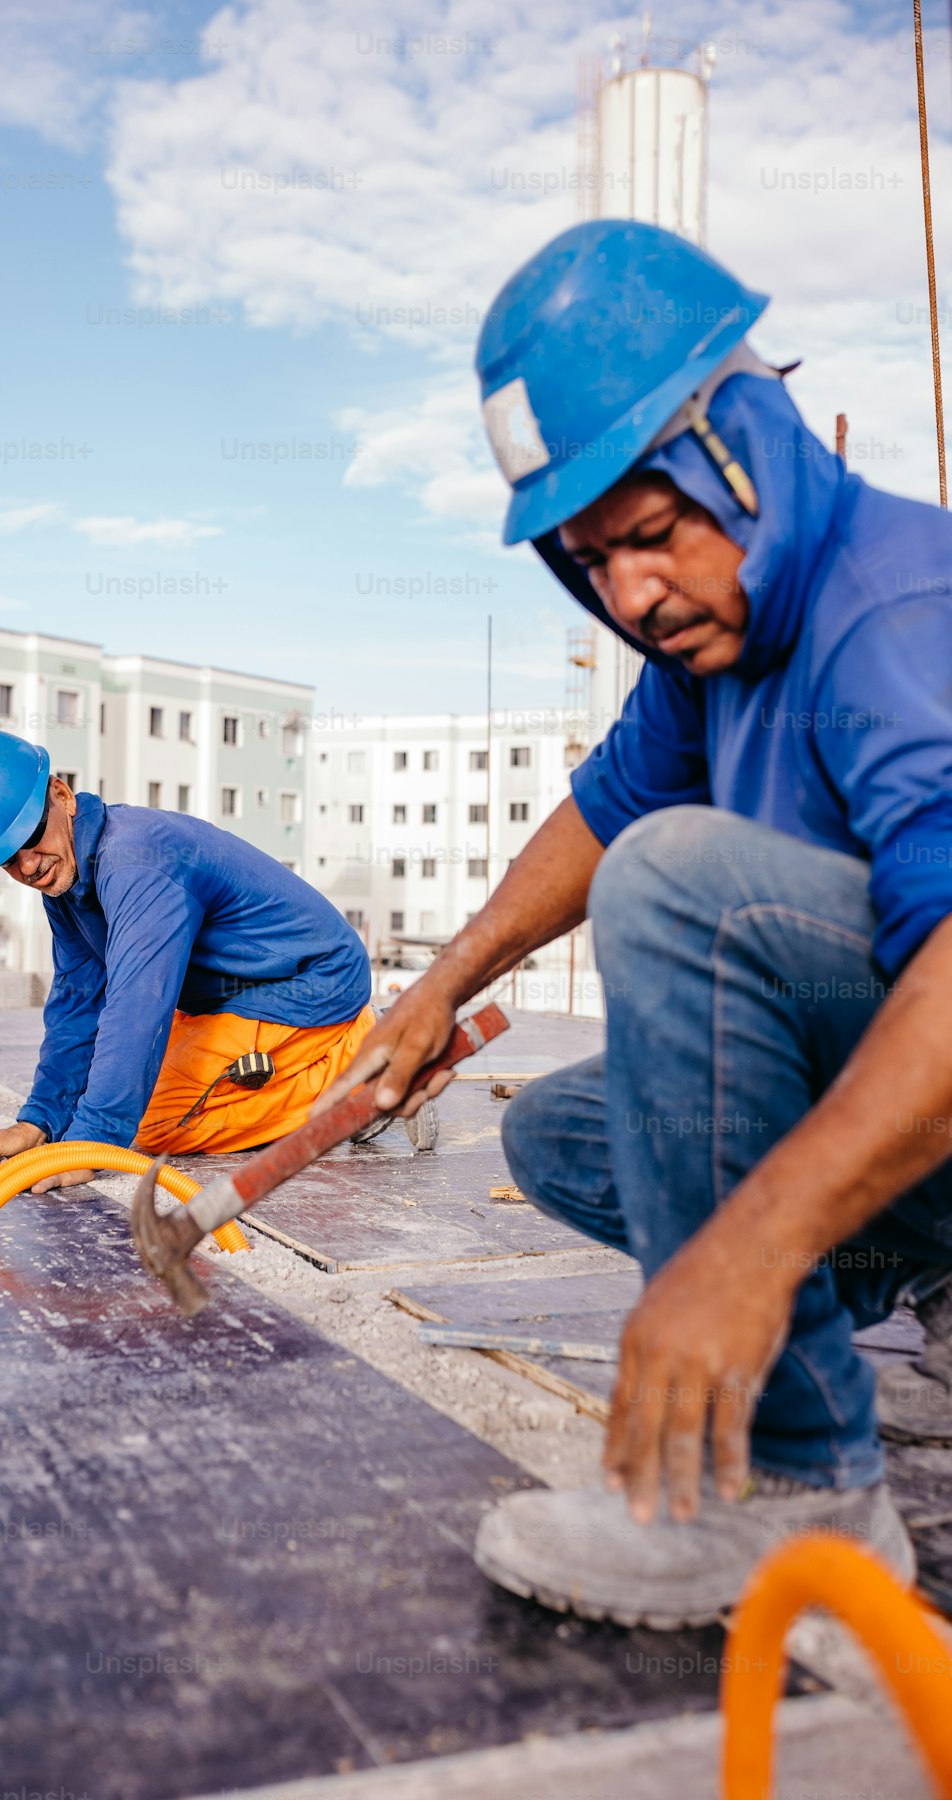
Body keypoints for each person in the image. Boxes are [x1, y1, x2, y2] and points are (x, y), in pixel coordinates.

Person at [320, 219, 952, 1627]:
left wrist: (749, 1249)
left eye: (653, 536)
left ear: (747, 450)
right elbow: (603, 810)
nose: (629, 596)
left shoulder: (901, 613)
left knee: (680, 885)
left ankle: (796, 1482)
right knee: (574, 1131)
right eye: (589, 560)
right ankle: (913, 1276)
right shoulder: (712, 647)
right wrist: (440, 985)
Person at [0, 729, 391, 1188]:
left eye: (31, 837)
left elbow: (136, 1008)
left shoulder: (136, 862)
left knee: (154, 1119)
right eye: (9, 860)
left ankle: (370, 1068)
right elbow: (78, 1002)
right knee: (124, 1086)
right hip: (235, 993)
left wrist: (90, 1142)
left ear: (62, 795)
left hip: (310, 982)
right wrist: (40, 1122)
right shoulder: (67, 880)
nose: (29, 866)